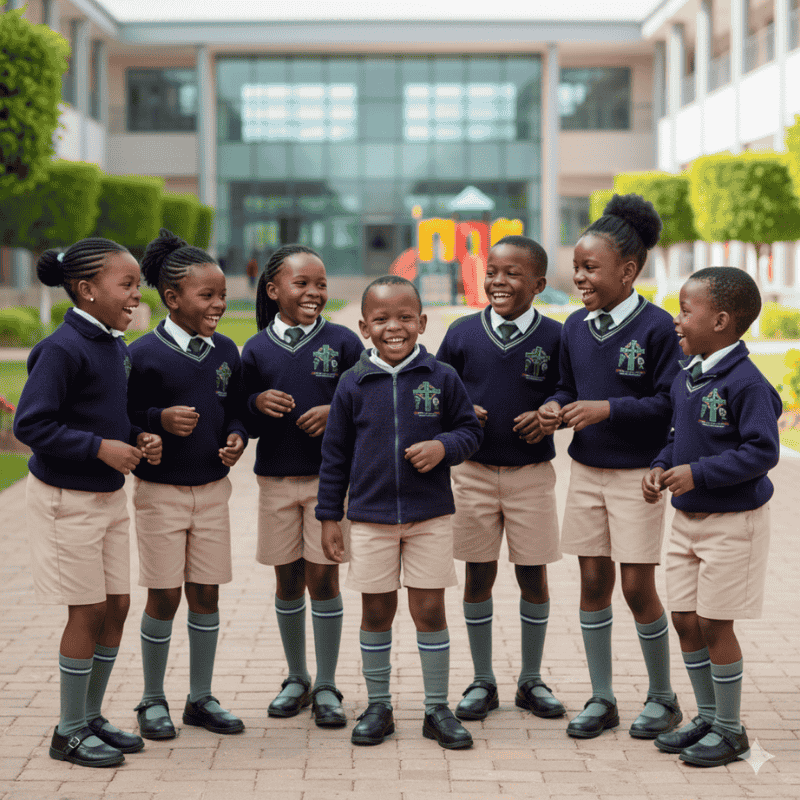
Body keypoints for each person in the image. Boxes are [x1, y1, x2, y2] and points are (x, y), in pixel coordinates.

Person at [538, 194, 683, 740]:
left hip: (636, 477)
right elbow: (566, 387)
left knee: (636, 586)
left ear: (628, 270)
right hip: (587, 473)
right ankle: (602, 697)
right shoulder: (576, 327)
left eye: (590, 268)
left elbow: (670, 405)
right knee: (592, 580)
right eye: (576, 267)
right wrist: (556, 407)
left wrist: (608, 408)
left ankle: (663, 698)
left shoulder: (658, 329)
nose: (578, 277)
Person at [317, 275, 483, 749]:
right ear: (365, 326)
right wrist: (330, 516)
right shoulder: (352, 384)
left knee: (430, 610)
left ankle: (436, 708)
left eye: (406, 317)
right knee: (376, 611)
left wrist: (443, 446)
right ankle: (378, 705)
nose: (395, 327)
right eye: (383, 319)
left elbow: (470, 432)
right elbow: (335, 456)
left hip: (429, 516)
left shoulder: (442, 377)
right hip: (369, 520)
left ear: (422, 322)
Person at [14, 238, 162, 768]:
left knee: (117, 605)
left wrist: (137, 435)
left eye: (137, 286)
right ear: (86, 289)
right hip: (65, 500)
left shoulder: (113, 343)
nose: (135, 295)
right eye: (126, 285)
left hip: (105, 496)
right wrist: (100, 447)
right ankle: (68, 731)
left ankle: (91, 714)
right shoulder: (62, 348)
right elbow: (30, 424)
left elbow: (108, 414)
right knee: (89, 608)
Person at [643, 267, 780, 767]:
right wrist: (661, 465)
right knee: (684, 619)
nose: (676, 321)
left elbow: (763, 452)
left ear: (720, 320)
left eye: (685, 310)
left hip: (733, 523)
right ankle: (706, 715)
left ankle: (730, 729)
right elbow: (679, 437)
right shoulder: (688, 376)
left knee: (714, 624)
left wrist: (698, 473)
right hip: (688, 521)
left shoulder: (747, 384)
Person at [436, 235, 565, 722]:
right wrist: (460, 409)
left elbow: (566, 388)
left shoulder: (556, 336)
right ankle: (482, 679)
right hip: (472, 473)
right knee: (478, 573)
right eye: (492, 271)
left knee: (534, 573)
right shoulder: (463, 333)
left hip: (532, 475)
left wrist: (553, 410)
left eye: (513, 274)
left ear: (538, 284)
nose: (498, 281)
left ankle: (531, 680)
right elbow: (435, 389)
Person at [128, 229, 247, 740]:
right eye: (208, 295)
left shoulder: (226, 351)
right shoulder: (142, 354)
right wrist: (154, 421)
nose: (219, 303)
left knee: (206, 594)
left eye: (221, 294)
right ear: (172, 299)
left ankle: (200, 697)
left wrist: (238, 436)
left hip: (213, 492)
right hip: (160, 494)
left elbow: (236, 407)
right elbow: (124, 414)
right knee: (164, 596)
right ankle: (152, 698)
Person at [242, 245, 363, 728]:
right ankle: (297, 676)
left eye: (321, 283)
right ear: (274, 291)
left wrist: (337, 411)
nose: (314, 292)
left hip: (328, 483)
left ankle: (329, 682)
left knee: (323, 578)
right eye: (301, 283)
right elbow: (239, 415)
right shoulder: (255, 348)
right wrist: (254, 403)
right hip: (274, 481)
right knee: (287, 579)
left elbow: (368, 399)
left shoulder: (343, 343)